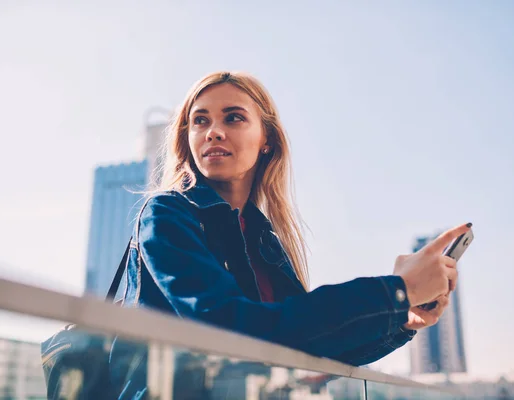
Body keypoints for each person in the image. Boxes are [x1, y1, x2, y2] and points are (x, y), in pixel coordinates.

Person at [120, 71, 470, 367]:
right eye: (200, 120)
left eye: (233, 117)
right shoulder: (167, 214)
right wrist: (395, 291)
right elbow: (231, 330)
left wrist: (403, 320)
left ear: (266, 140)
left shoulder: (263, 238)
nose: (213, 131)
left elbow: (309, 345)